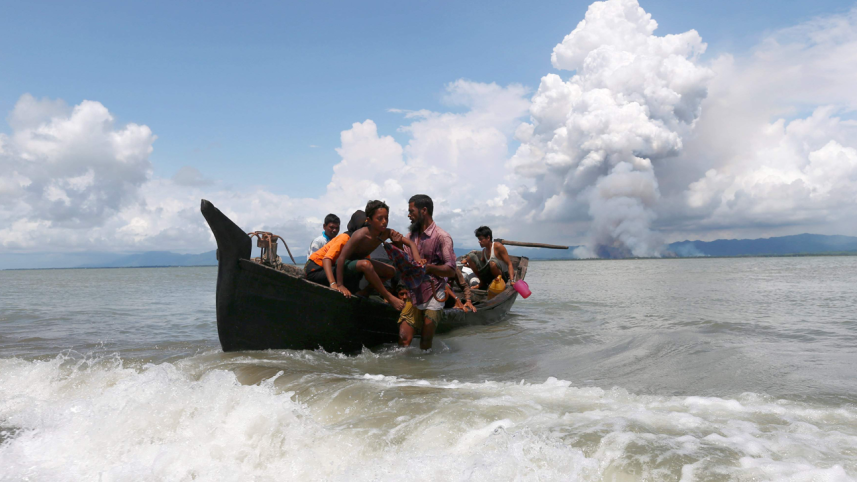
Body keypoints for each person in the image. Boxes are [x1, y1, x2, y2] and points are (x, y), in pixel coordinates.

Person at [334, 200, 422, 311]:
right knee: (366, 264)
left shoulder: (387, 233)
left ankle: (365, 291)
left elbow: (411, 244)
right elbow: (341, 258)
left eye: (386, 218)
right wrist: (340, 285)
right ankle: (389, 297)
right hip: (347, 263)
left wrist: (417, 259)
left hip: (361, 261)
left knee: (391, 271)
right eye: (379, 219)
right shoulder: (361, 234)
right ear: (369, 220)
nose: (384, 222)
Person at [399, 194, 456, 350]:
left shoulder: (442, 237)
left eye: (411, 211)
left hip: (434, 293)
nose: (409, 215)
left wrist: (429, 268)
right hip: (414, 292)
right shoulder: (410, 237)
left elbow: (451, 270)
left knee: (425, 342)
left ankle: (426, 373)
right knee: (403, 340)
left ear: (424, 210)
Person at [304, 211, 365, 288]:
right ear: (324, 226)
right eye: (331, 227)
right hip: (318, 268)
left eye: (337, 228)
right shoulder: (319, 241)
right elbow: (313, 258)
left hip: (328, 268)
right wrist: (332, 282)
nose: (334, 230)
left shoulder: (337, 240)